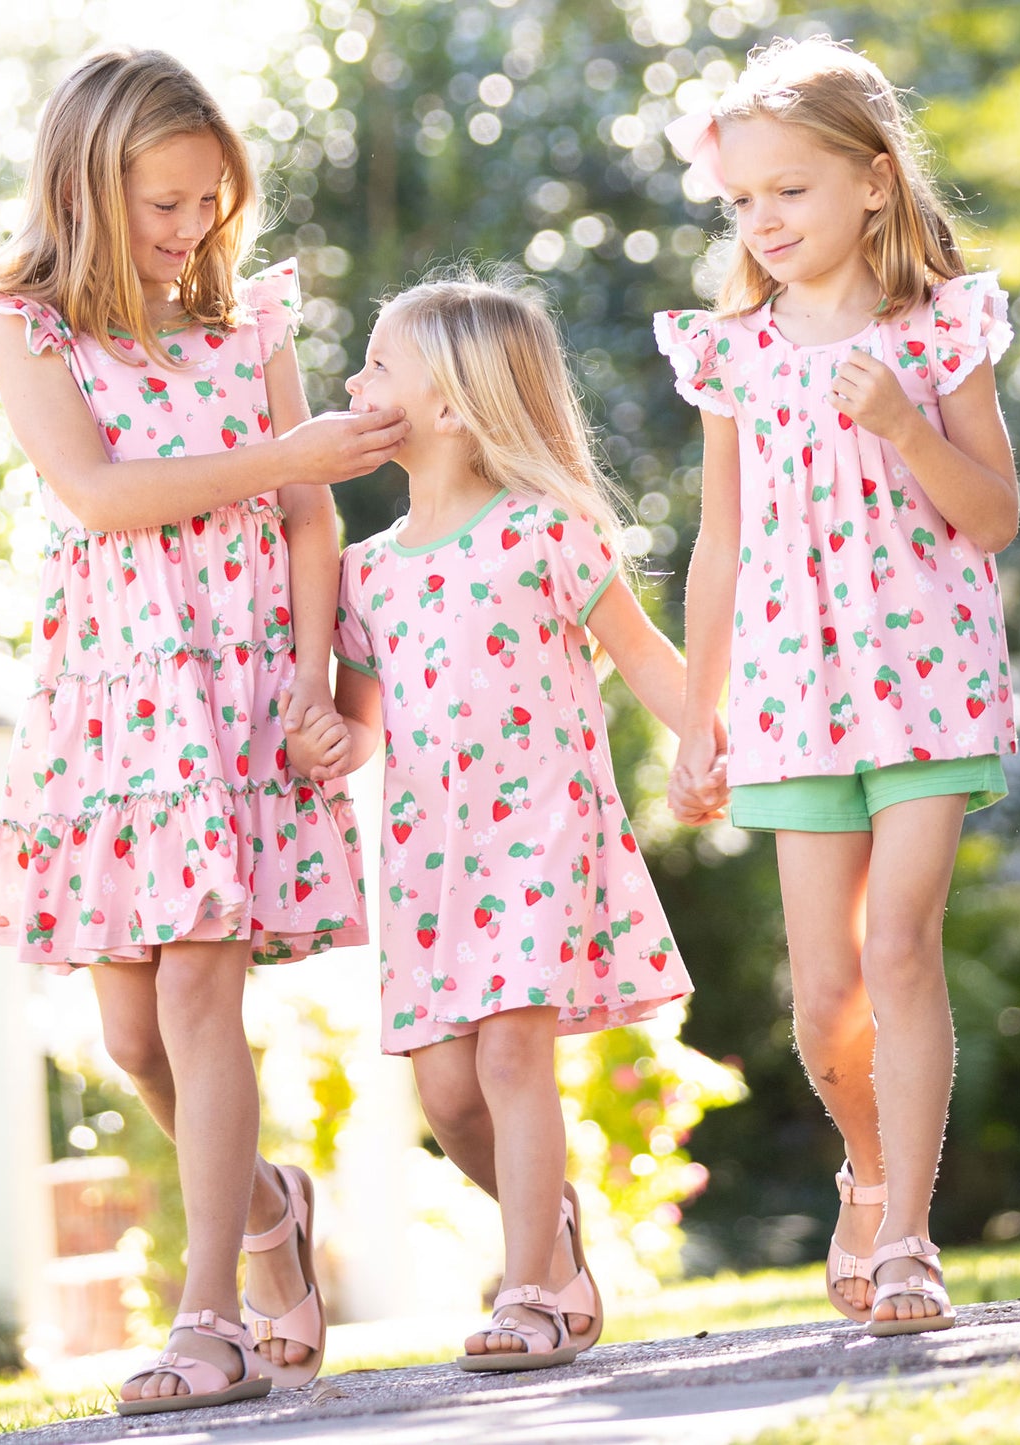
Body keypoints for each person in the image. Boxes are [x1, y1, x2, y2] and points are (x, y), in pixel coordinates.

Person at [0, 48, 409, 1410]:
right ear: (88, 189)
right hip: (116, 692)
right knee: (134, 1035)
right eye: (163, 203)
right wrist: (288, 455)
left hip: (242, 684)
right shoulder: (21, 324)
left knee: (205, 990)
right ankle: (268, 1205)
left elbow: (312, 512)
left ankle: (206, 1315)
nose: (191, 227)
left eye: (211, 199)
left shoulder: (245, 322)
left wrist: (315, 678)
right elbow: (98, 495)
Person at [289, 271, 719, 1370]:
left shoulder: (545, 535)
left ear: (450, 404)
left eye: (380, 362)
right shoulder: (365, 573)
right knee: (446, 1091)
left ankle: (527, 1285)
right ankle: (557, 1237)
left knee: (513, 1063)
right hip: (428, 856)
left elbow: (652, 668)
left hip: (539, 831)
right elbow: (363, 723)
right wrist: (329, 739)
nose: (353, 378)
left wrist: (707, 743)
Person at [656, 35, 1018, 1336]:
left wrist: (906, 426)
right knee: (821, 1001)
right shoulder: (730, 353)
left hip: (927, 681)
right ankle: (865, 1172)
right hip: (790, 693)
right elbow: (720, 541)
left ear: (871, 183)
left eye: (789, 193)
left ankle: (912, 1235)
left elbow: (993, 518)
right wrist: (696, 717)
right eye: (743, 199)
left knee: (899, 946)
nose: (764, 221)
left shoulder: (942, 328)